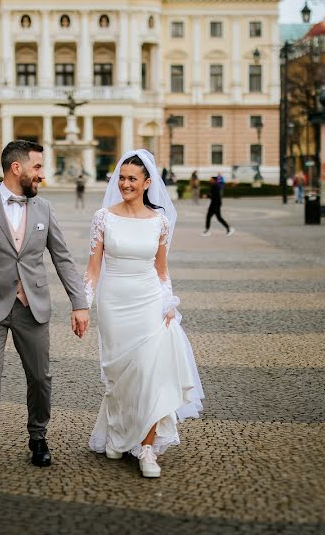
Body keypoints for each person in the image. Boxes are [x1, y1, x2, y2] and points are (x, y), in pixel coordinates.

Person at [0, 140, 89, 491]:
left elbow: (63, 258)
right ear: (17, 168)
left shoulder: (45, 209)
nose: (42, 174)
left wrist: (79, 302)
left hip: (32, 307)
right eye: (38, 167)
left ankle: (38, 437)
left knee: (41, 378)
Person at [83, 150, 204, 479]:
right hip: (113, 302)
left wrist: (169, 303)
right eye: (121, 178)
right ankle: (117, 432)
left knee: (151, 373)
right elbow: (93, 269)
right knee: (120, 377)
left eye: (132, 179)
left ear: (147, 183)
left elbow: (162, 269)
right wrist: (83, 304)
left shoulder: (160, 221)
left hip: (149, 300)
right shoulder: (103, 217)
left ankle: (147, 448)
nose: (125, 184)